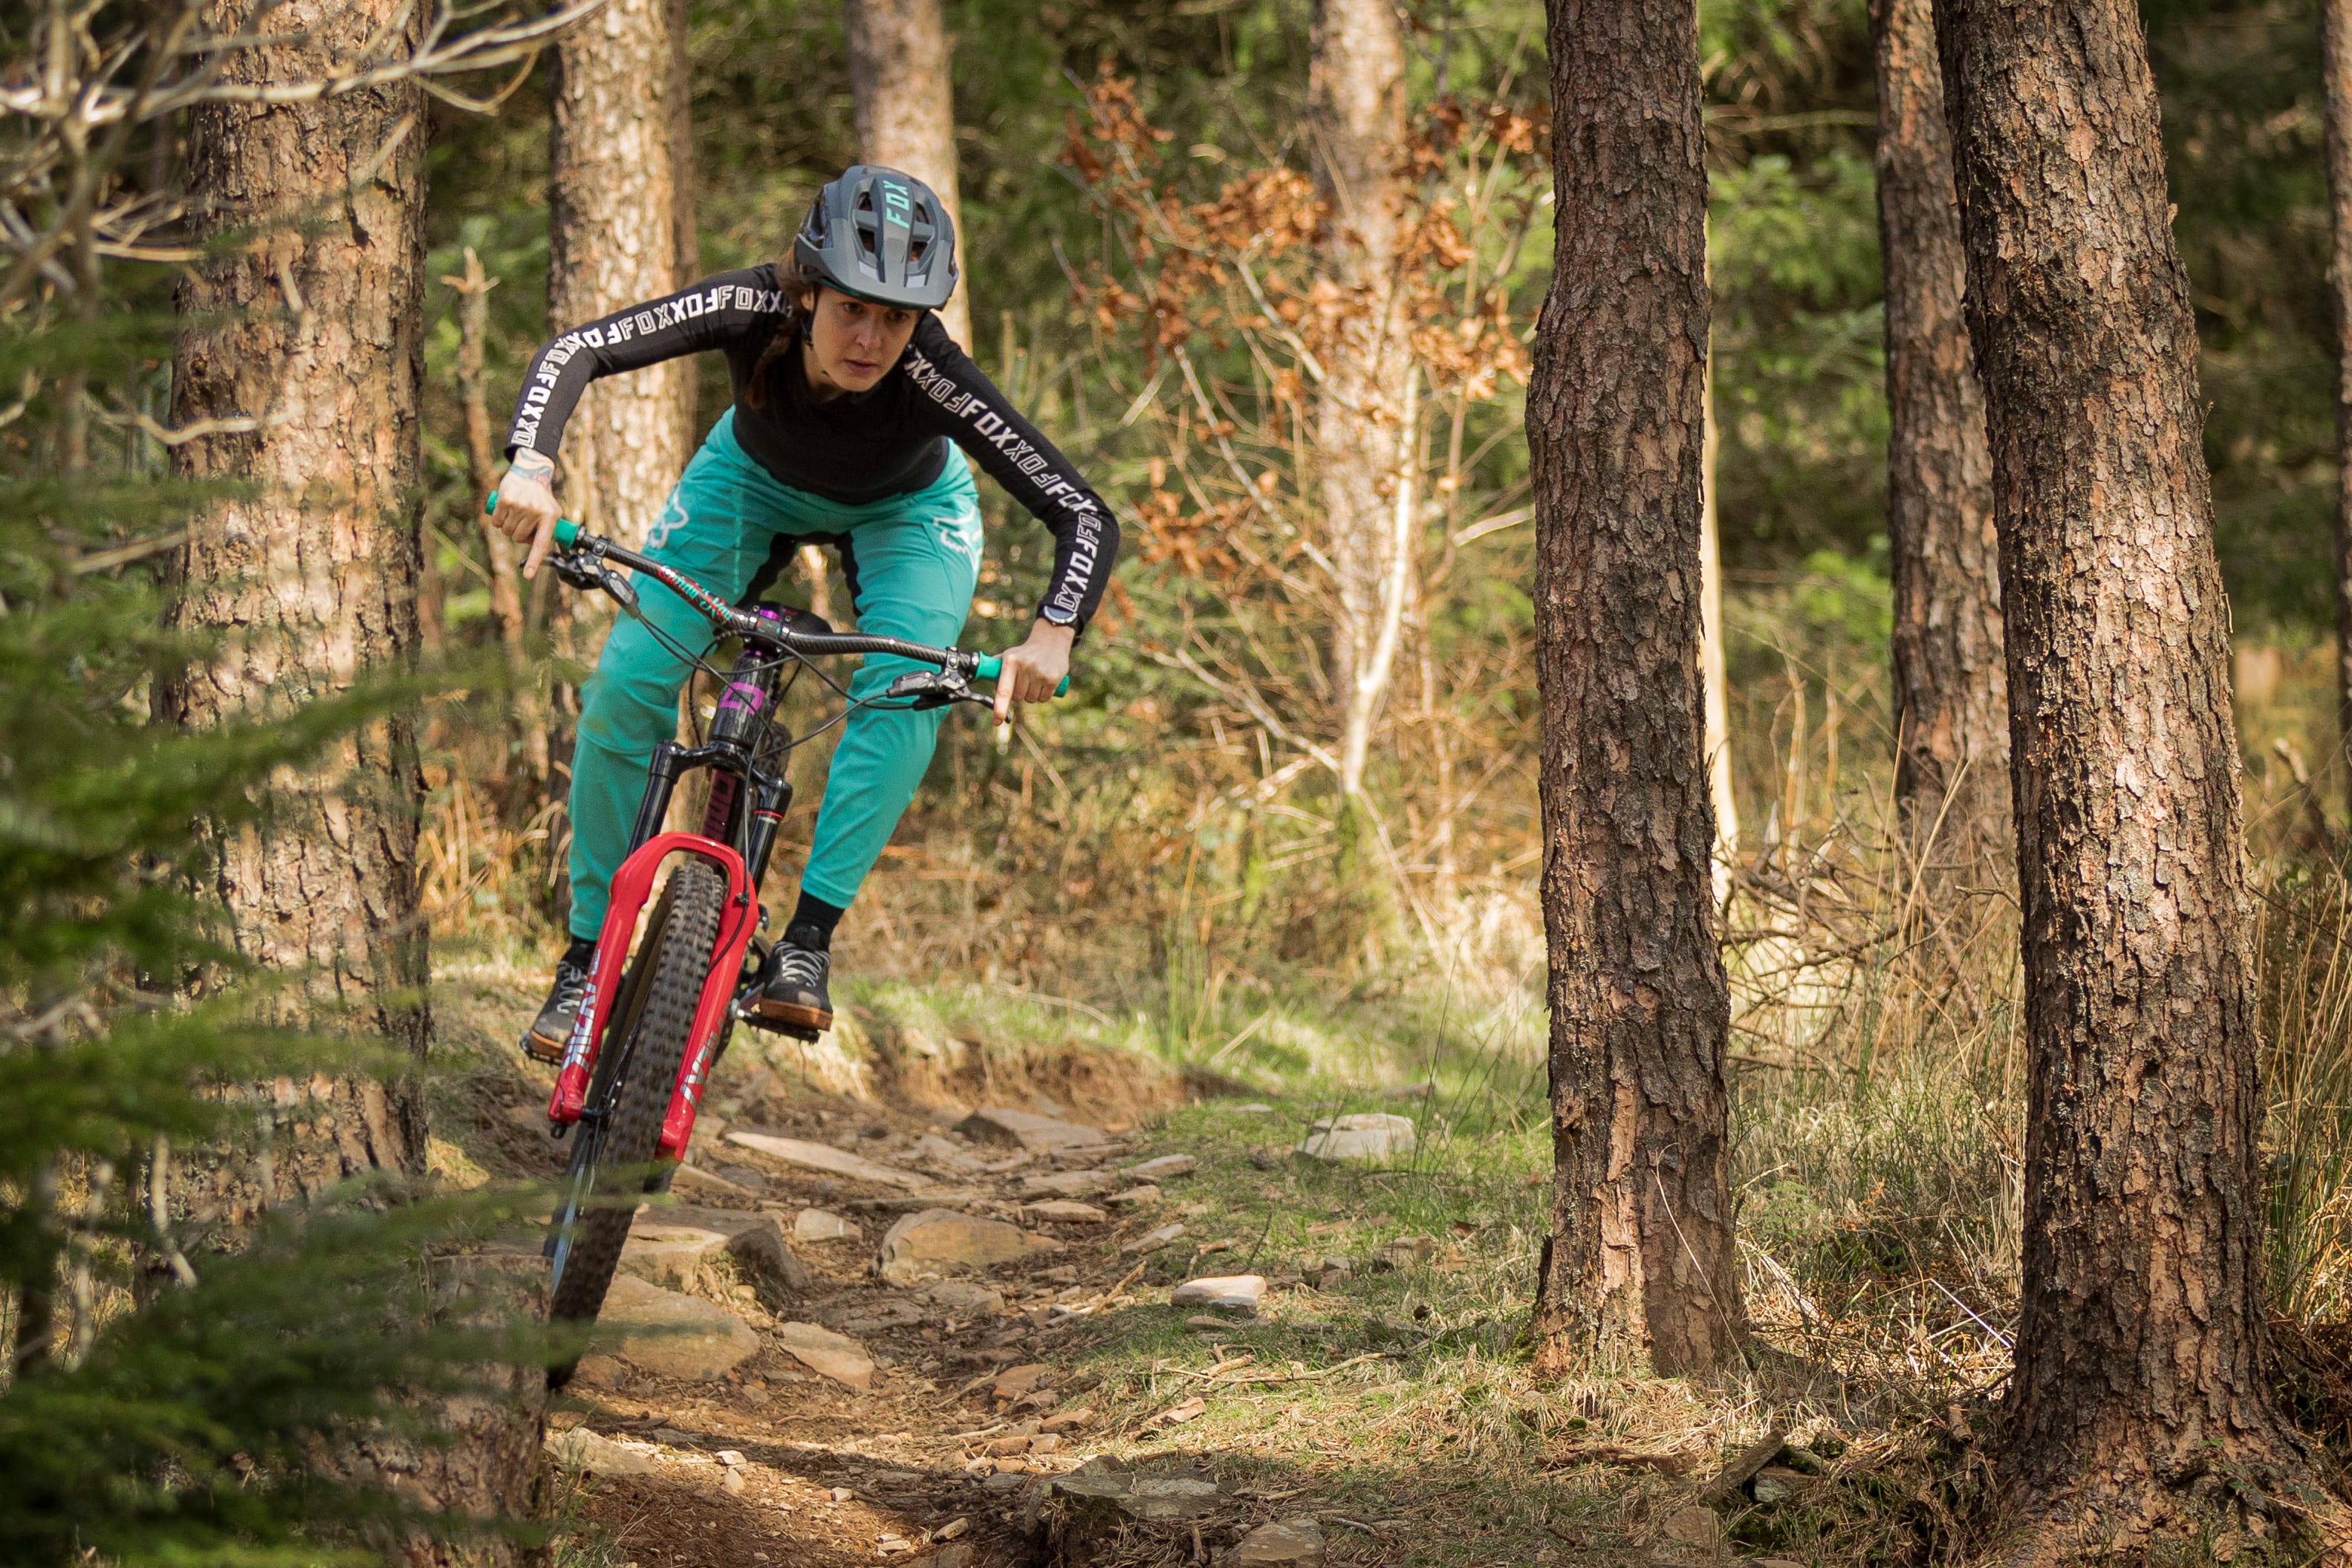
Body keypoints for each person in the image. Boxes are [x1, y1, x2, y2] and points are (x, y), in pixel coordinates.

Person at [488, 166, 1118, 1057]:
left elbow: (1082, 510)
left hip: (908, 513)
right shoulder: (752, 302)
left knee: (908, 690)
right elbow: (576, 350)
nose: (870, 338)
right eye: (852, 308)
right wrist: (531, 466)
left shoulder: (932, 373)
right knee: (628, 680)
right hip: (748, 480)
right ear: (811, 288)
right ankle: (588, 957)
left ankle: (805, 948)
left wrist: (1053, 633)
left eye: (895, 318)